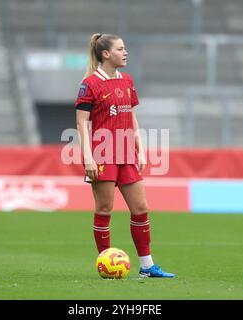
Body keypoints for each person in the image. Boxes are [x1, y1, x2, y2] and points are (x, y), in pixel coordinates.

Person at [75, 33, 175, 278]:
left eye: (125, 48)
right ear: (106, 54)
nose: (125, 52)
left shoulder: (127, 81)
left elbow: (131, 115)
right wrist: (87, 157)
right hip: (102, 154)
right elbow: (81, 124)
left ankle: (147, 266)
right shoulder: (90, 83)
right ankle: (106, 264)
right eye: (120, 49)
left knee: (141, 208)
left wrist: (139, 147)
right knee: (105, 210)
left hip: (127, 153)